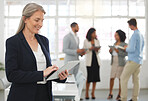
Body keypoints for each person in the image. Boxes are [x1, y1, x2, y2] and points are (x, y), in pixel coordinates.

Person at [5, 3, 68, 101]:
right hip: (23, 96)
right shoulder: (13, 42)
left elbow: (46, 70)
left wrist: (59, 76)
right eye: (37, 20)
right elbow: (12, 75)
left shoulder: (44, 41)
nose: (41, 24)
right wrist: (41, 74)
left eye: (42, 20)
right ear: (25, 19)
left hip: (44, 94)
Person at [119, 18, 144, 101]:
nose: (129, 27)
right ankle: (134, 98)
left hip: (132, 60)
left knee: (123, 78)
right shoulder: (140, 34)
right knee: (136, 80)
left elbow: (132, 49)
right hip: (139, 60)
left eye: (129, 26)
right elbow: (141, 47)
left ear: (131, 25)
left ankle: (123, 98)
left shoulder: (134, 35)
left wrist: (125, 48)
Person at [63, 22, 86, 100]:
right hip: (69, 62)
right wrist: (76, 51)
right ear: (73, 27)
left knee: (75, 80)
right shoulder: (67, 37)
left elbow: (76, 50)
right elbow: (65, 50)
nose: (78, 28)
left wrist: (81, 53)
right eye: (77, 27)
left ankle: (76, 97)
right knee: (69, 81)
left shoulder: (77, 37)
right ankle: (68, 98)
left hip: (76, 62)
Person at [107, 30, 127, 100]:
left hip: (120, 63)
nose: (115, 36)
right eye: (115, 35)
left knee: (120, 79)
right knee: (111, 77)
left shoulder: (124, 44)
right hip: (114, 62)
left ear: (120, 36)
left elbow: (125, 54)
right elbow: (113, 53)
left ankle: (119, 94)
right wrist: (111, 51)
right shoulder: (114, 43)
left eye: (116, 35)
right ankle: (110, 93)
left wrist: (118, 51)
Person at [83, 28, 101, 99]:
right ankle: (87, 93)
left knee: (95, 78)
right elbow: (84, 50)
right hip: (89, 61)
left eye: (95, 33)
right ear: (90, 34)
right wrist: (90, 49)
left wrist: (97, 49)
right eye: (93, 33)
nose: (94, 34)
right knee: (89, 77)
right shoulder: (86, 41)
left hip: (96, 61)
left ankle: (93, 92)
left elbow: (99, 51)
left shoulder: (97, 41)